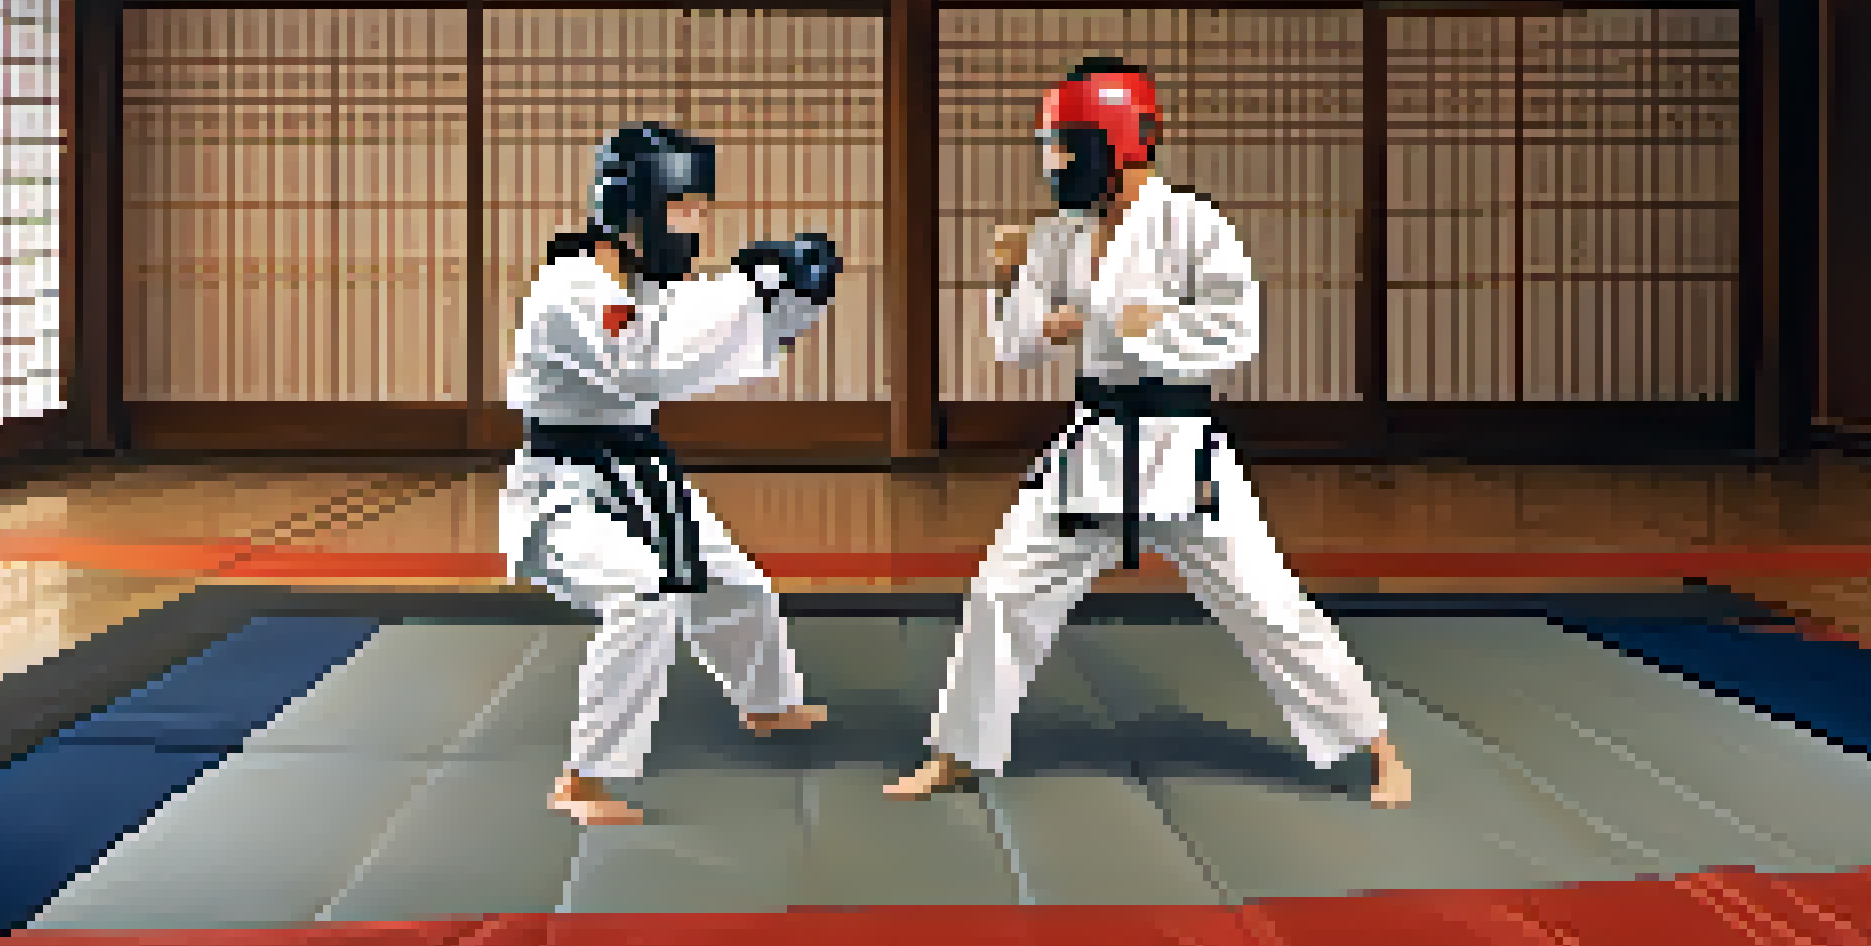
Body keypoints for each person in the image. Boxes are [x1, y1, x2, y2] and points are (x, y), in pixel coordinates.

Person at [884, 58, 1412, 808]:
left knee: (1268, 605)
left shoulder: (1192, 224)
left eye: (1068, 145)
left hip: (1181, 451)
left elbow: (1237, 332)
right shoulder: (1059, 235)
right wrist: (1009, 283)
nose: (1055, 162)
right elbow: (1018, 347)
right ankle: (958, 752)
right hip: (1091, 448)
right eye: (1051, 147)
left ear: (1116, 143)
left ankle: (1377, 748)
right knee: (1003, 591)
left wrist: (1129, 323)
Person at [503, 123, 840, 826]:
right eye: (684, 208)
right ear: (634, 207)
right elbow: (648, 366)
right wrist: (750, 284)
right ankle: (585, 779)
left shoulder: (646, 286)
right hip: (564, 491)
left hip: (637, 471)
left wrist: (794, 297)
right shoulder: (572, 286)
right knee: (642, 596)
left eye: (701, 210)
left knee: (738, 584)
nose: (696, 225)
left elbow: (724, 337)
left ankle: (769, 704)